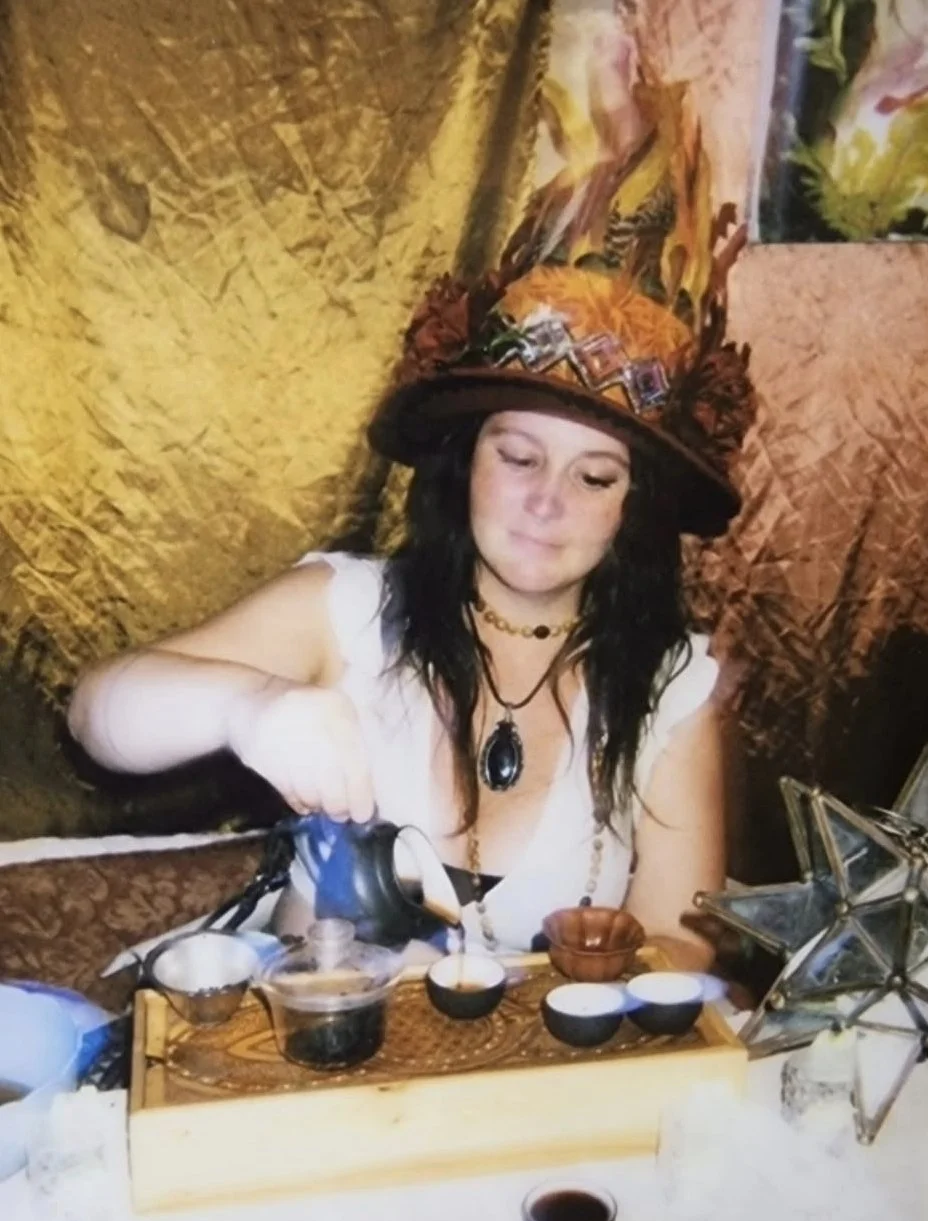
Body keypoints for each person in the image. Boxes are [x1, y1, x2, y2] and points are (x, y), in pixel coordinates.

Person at [68, 255, 756, 972]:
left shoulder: (669, 685)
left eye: (593, 477)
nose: (547, 502)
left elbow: (679, 942)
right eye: (519, 458)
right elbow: (94, 715)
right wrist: (248, 705)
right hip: (310, 1026)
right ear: (467, 463)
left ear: (631, 508)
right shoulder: (347, 609)